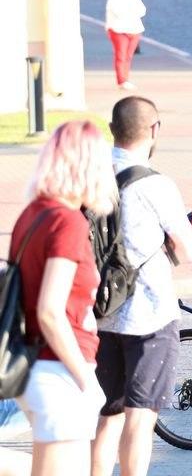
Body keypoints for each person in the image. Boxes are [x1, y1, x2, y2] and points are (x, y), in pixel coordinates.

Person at [91, 97, 192, 476]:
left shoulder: (89, 177)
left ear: (112, 130)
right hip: (149, 314)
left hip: (103, 312)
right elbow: (188, 249)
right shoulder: (155, 184)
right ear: (154, 130)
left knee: (110, 412)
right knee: (140, 416)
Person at [11, 121, 115, 475]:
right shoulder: (67, 222)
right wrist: (86, 381)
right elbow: (51, 311)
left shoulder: (33, 213)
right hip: (59, 368)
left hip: (36, 366)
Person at [104, 0, 146, 91]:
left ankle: (125, 79)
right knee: (120, 56)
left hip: (134, 29)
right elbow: (118, 13)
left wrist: (131, 12)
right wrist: (132, 12)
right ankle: (121, 81)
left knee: (128, 56)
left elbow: (142, 10)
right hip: (118, 30)